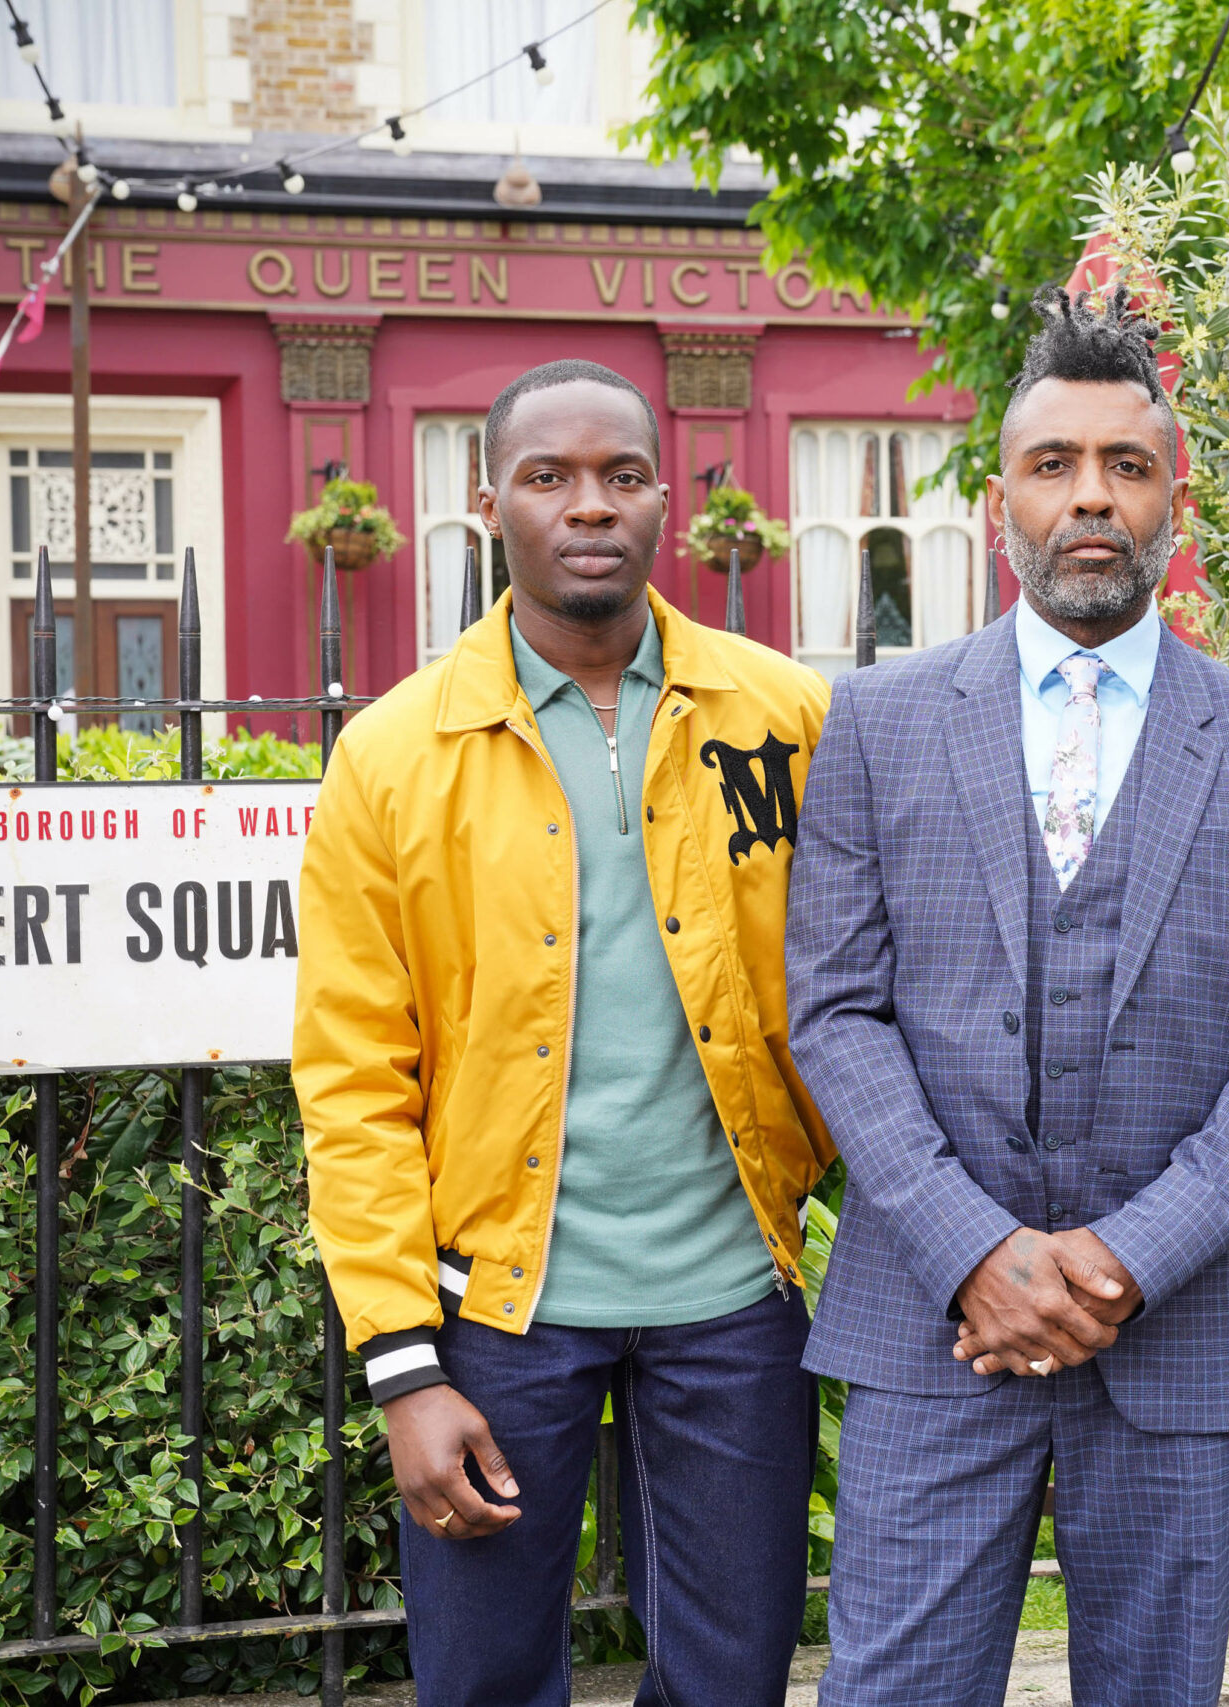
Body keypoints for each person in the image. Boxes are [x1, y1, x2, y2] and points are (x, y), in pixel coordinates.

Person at [786, 286, 1229, 1707]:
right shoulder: (879, 721)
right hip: (937, 1324)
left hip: (1185, 1333)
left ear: (1176, 501)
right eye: (1054, 466)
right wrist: (976, 1252)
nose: (1089, 498)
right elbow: (834, 1015)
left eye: (1126, 466)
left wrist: (1122, 1260)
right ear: (1001, 507)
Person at [294, 359, 834, 1707]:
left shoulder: (786, 716)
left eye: (622, 475)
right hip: (498, 1315)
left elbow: (859, 993)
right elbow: (354, 1079)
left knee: (732, 1682)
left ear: (667, 501)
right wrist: (402, 1368)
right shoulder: (391, 756)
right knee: (480, 1684)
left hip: (732, 1300)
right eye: (550, 477)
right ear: (490, 504)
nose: (588, 505)